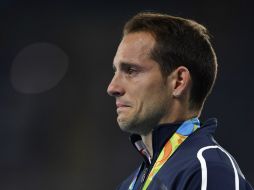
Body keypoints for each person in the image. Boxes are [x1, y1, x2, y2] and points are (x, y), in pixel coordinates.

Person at [107, 12, 253, 190]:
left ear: (178, 82)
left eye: (131, 70)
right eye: (116, 71)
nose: (112, 88)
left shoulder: (208, 171)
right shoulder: (130, 184)